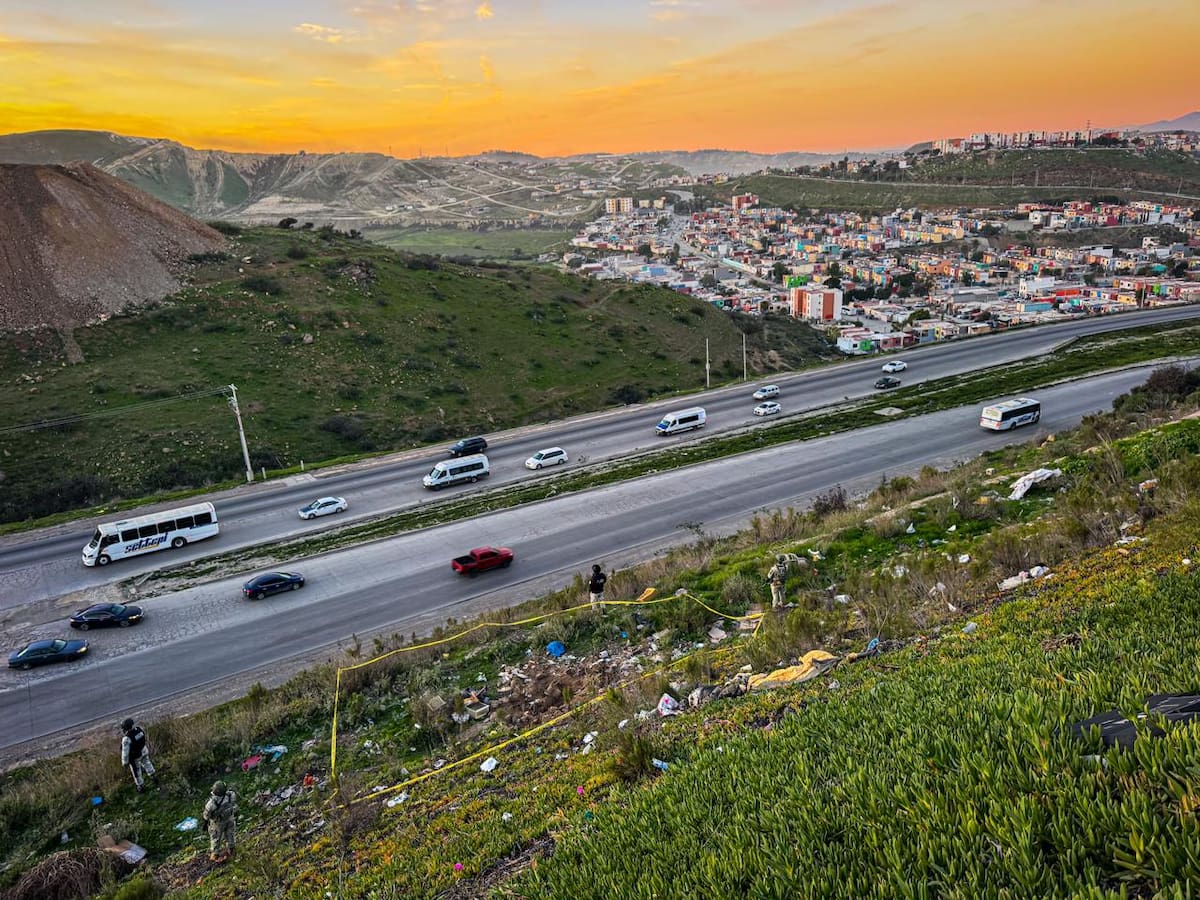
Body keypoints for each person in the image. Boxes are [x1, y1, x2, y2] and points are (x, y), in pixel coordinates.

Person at [203, 781, 238, 862]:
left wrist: (205, 824)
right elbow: (233, 803)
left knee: (216, 837)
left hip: (218, 823)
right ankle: (231, 849)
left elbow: (206, 815)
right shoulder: (230, 795)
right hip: (230, 818)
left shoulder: (211, 803)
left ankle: (215, 854)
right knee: (230, 834)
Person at [120, 718, 155, 793]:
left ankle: (140, 786)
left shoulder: (126, 738)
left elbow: (125, 753)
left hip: (135, 756)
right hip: (144, 751)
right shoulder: (139, 730)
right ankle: (153, 776)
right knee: (147, 763)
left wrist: (124, 763)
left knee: (136, 771)